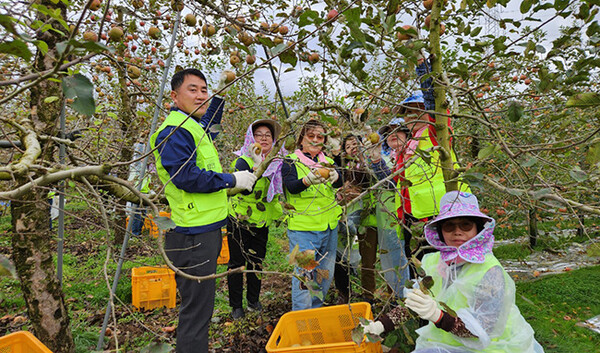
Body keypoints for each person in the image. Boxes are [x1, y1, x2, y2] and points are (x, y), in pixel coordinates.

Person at [149, 68, 257, 353]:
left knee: (200, 309)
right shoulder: (175, 131)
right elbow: (186, 177)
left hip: (201, 232)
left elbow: (209, 121)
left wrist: (219, 93)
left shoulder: (191, 125)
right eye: (193, 90)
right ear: (174, 96)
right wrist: (232, 179)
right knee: (197, 313)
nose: (200, 96)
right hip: (191, 236)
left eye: (204, 90)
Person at [362, 191, 545, 353]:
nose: (457, 232)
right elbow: (416, 305)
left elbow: (481, 332)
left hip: (491, 347)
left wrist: (438, 316)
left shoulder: (490, 271)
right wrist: (381, 325)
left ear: (477, 229)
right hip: (446, 343)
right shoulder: (434, 262)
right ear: (440, 231)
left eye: (465, 225)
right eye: (449, 226)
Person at [281, 119, 343, 310]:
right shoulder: (290, 160)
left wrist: (337, 177)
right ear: (301, 139)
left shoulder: (329, 161)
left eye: (320, 136)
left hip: (329, 227)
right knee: (304, 275)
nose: (315, 140)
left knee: (324, 273)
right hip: (304, 229)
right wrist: (307, 181)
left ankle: (315, 309)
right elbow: (291, 186)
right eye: (311, 136)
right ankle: (301, 317)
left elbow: (339, 184)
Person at [227, 119, 284, 319]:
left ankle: (253, 300)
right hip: (239, 220)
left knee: (256, 262)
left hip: (262, 221)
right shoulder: (243, 161)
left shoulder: (276, 162)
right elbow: (244, 188)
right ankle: (236, 306)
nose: (264, 138)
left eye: (268, 135)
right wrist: (258, 167)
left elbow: (277, 192)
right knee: (236, 264)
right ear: (251, 138)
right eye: (259, 134)